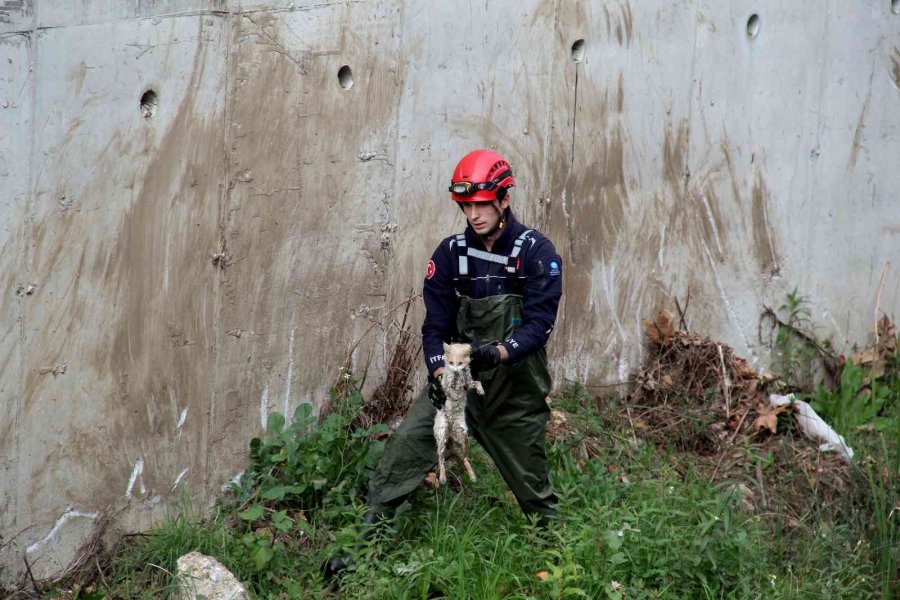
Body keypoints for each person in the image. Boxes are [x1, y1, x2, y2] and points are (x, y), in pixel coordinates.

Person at [326, 149, 563, 578]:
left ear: (504, 199)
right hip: (456, 391)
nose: (473, 215)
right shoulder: (450, 255)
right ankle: (361, 556)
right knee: (399, 458)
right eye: (466, 206)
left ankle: (559, 565)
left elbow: (539, 327)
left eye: (481, 204)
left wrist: (494, 353)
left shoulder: (536, 254)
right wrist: (438, 371)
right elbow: (434, 327)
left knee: (536, 495)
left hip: (514, 394)